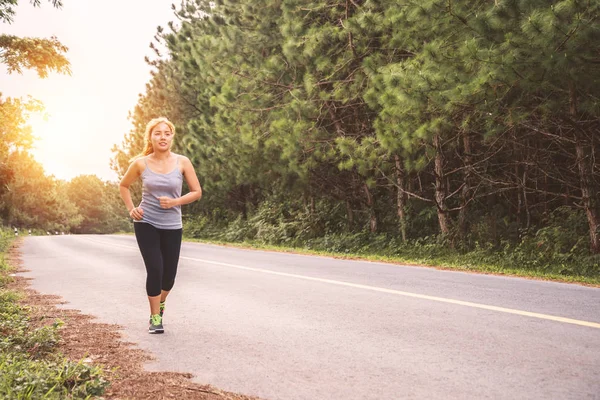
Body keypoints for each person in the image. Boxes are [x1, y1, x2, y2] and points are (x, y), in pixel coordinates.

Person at [119, 117, 202, 334]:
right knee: (155, 269)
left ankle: (161, 302)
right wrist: (131, 209)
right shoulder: (140, 163)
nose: (162, 137)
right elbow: (124, 186)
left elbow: (196, 192)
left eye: (167, 133)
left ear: (172, 136)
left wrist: (175, 202)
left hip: (173, 224)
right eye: (158, 133)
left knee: (169, 276)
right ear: (150, 137)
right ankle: (155, 317)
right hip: (146, 222)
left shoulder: (183, 162)